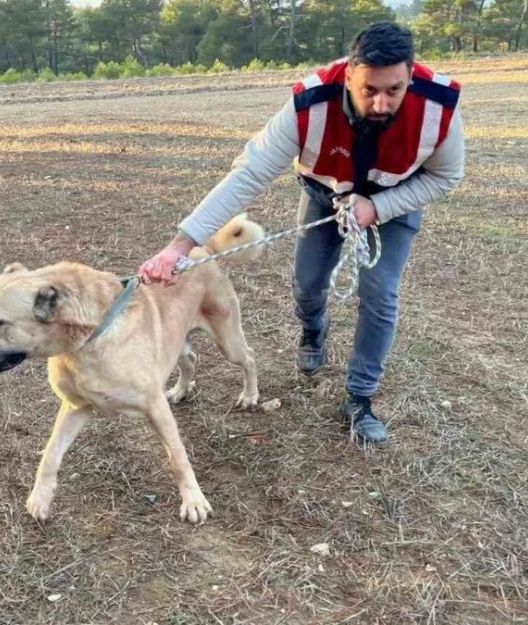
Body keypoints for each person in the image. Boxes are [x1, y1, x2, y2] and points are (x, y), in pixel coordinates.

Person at [137, 22, 465, 446]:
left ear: (411, 76)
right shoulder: (307, 104)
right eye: (369, 90)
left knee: (380, 293)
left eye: (394, 90)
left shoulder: (439, 105)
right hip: (325, 194)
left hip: (394, 200)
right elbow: (249, 174)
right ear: (348, 74)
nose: (381, 103)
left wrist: (377, 207)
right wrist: (180, 246)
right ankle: (314, 327)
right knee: (307, 284)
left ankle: (359, 398)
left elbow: (446, 177)